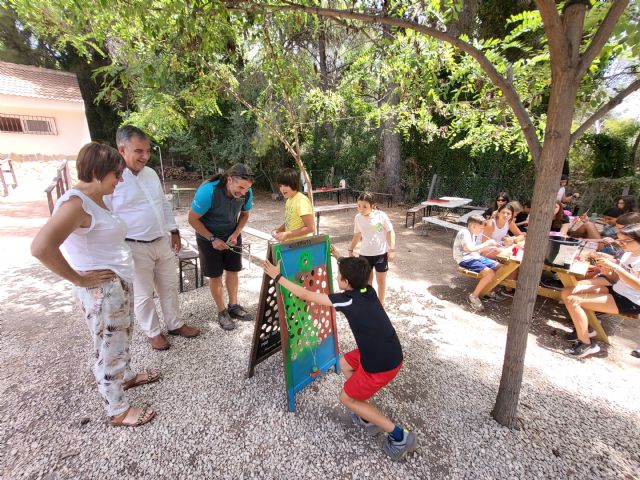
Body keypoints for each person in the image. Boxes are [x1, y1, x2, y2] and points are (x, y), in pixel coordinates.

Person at [31, 142, 158, 427]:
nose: (121, 179)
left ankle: (125, 378)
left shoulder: (97, 198)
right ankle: (118, 410)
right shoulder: (75, 203)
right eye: (117, 174)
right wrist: (77, 278)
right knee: (108, 348)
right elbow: (41, 247)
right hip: (103, 291)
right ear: (99, 172)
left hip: (117, 285)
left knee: (120, 339)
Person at [262, 253, 417, 461]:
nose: (337, 278)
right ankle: (366, 415)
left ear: (346, 282)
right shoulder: (367, 289)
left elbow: (307, 295)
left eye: (339, 276)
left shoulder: (346, 300)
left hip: (381, 364)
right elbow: (359, 269)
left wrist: (278, 277)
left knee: (345, 398)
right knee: (344, 363)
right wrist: (338, 255)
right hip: (387, 350)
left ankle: (400, 436)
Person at [107, 126, 199, 350]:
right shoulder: (112, 179)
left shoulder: (150, 173)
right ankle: (153, 332)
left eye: (147, 151)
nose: (145, 156)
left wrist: (174, 230)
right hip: (134, 246)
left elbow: (163, 204)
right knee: (143, 294)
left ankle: (175, 323)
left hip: (161, 241)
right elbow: (108, 216)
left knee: (169, 287)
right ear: (122, 150)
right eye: (139, 151)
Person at [189, 164, 255, 331]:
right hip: (208, 237)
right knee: (215, 275)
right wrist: (212, 238)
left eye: (246, 189)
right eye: (240, 187)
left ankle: (233, 306)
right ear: (230, 180)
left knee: (233, 270)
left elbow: (245, 215)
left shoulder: (246, 193)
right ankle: (222, 311)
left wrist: (236, 233)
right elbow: (192, 219)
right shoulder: (208, 191)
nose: (243, 192)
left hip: (232, 235)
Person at [560, 224, 640, 359]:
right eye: (619, 240)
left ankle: (586, 344)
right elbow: (615, 277)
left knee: (574, 301)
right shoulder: (628, 254)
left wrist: (616, 267)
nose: (620, 244)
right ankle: (586, 329)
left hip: (630, 300)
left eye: (625, 241)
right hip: (616, 290)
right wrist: (604, 268)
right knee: (568, 292)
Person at [347, 192, 396, 305]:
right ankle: (369, 303)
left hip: (380, 255)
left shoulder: (381, 215)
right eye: (359, 206)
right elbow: (357, 235)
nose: (361, 209)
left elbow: (390, 231)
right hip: (365, 255)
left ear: (372, 205)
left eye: (365, 206)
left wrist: (392, 249)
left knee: (381, 282)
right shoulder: (358, 218)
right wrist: (350, 249)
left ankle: (381, 304)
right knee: (367, 282)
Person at [453, 214, 502, 311]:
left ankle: (486, 289)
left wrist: (489, 248)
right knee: (490, 273)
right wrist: (486, 243)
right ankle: (473, 296)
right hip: (464, 259)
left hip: (474, 256)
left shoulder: (473, 233)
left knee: (500, 267)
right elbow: (468, 249)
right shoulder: (465, 233)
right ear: (473, 226)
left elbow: (475, 250)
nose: (481, 231)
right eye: (480, 228)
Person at [271, 168, 315, 241]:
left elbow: (311, 228)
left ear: (293, 183)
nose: (282, 189)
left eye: (285, 185)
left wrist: (287, 234)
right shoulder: (289, 200)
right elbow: (290, 222)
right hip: (291, 245)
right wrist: (279, 230)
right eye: (280, 186)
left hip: (301, 246)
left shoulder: (301, 200)